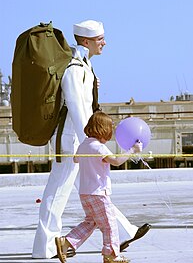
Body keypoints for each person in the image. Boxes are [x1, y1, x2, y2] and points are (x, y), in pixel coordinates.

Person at [32, 20, 150, 259]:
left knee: (96, 193)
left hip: (81, 140)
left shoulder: (83, 68)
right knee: (57, 192)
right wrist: (93, 143)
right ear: (86, 42)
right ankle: (44, 247)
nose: (104, 43)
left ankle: (126, 231)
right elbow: (77, 109)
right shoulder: (76, 69)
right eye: (100, 39)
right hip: (72, 141)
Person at [55, 112, 144, 263]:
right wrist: (132, 151)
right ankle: (111, 255)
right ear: (103, 130)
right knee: (110, 224)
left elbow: (76, 159)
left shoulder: (84, 145)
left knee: (91, 222)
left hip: (85, 193)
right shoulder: (99, 148)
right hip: (98, 193)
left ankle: (66, 242)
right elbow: (116, 161)